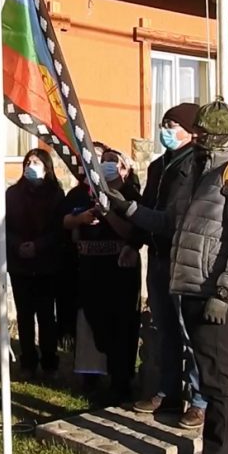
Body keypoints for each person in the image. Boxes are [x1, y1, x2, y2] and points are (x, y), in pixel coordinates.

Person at [110, 98, 228, 454]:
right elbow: (171, 222)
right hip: (191, 291)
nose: (193, 138)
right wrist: (128, 208)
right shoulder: (200, 174)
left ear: (218, 135)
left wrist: (225, 291)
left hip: (218, 298)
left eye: (200, 132)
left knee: (222, 382)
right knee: (215, 382)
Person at [131, 103, 208, 429]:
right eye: (164, 123)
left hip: (183, 258)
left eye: (173, 124)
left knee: (190, 332)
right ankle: (168, 391)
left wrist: (134, 212)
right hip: (159, 257)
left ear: (191, 130)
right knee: (165, 329)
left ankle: (199, 399)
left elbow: (173, 218)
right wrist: (132, 242)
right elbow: (147, 206)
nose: (166, 130)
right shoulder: (158, 166)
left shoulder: (196, 164)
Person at [63, 145, 142, 404]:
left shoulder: (130, 195)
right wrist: (82, 219)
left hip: (119, 268)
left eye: (111, 160)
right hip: (89, 267)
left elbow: (131, 232)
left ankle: (121, 381)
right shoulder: (81, 193)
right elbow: (65, 222)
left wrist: (107, 212)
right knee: (91, 322)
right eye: (102, 160)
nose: (105, 163)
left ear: (124, 168)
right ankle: (90, 377)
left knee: (121, 325)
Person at [6, 148, 65, 381]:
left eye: (37, 162)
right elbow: (6, 226)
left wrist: (38, 246)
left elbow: (58, 229)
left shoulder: (55, 195)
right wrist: (18, 245)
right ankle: (28, 362)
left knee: (46, 316)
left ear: (47, 167)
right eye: (28, 161)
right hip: (20, 265)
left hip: (46, 263)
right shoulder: (13, 193)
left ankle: (50, 362)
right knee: (24, 315)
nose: (31, 166)